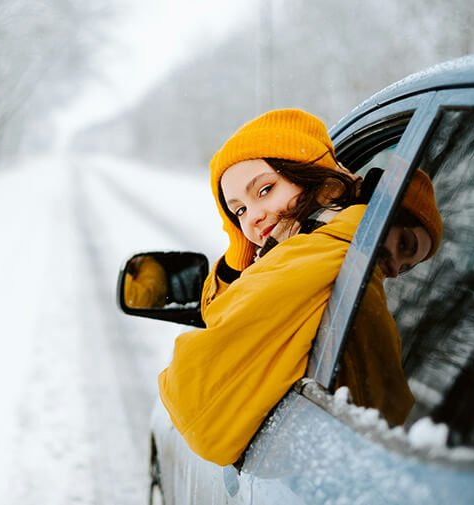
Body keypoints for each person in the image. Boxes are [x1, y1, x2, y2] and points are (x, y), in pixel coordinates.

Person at [157, 109, 442, 466]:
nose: (253, 217)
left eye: (265, 189)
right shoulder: (315, 251)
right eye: (239, 211)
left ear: (319, 182)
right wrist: (243, 251)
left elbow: (199, 414)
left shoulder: (327, 251)